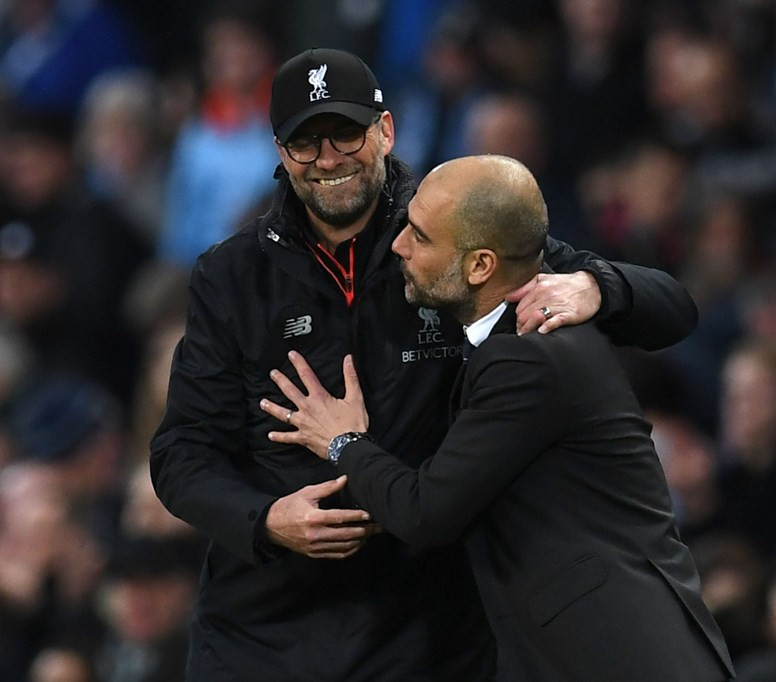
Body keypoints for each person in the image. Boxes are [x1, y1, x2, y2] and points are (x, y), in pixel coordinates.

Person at [150, 48, 701, 681]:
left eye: (345, 134)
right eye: (305, 142)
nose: (328, 158)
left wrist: (597, 285)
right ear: (280, 150)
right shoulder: (230, 274)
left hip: (426, 629)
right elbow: (181, 452)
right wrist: (265, 522)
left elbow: (673, 311)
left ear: (385, 130)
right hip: (259, 631)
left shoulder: (448, 229)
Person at [259, 154, 733, 681]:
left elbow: (425, 513)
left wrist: (343, 440)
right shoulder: (521, 312)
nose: (398, 246)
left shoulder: (526, 355)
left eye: (419, 237)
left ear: (480, 266)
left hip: (621, 657)